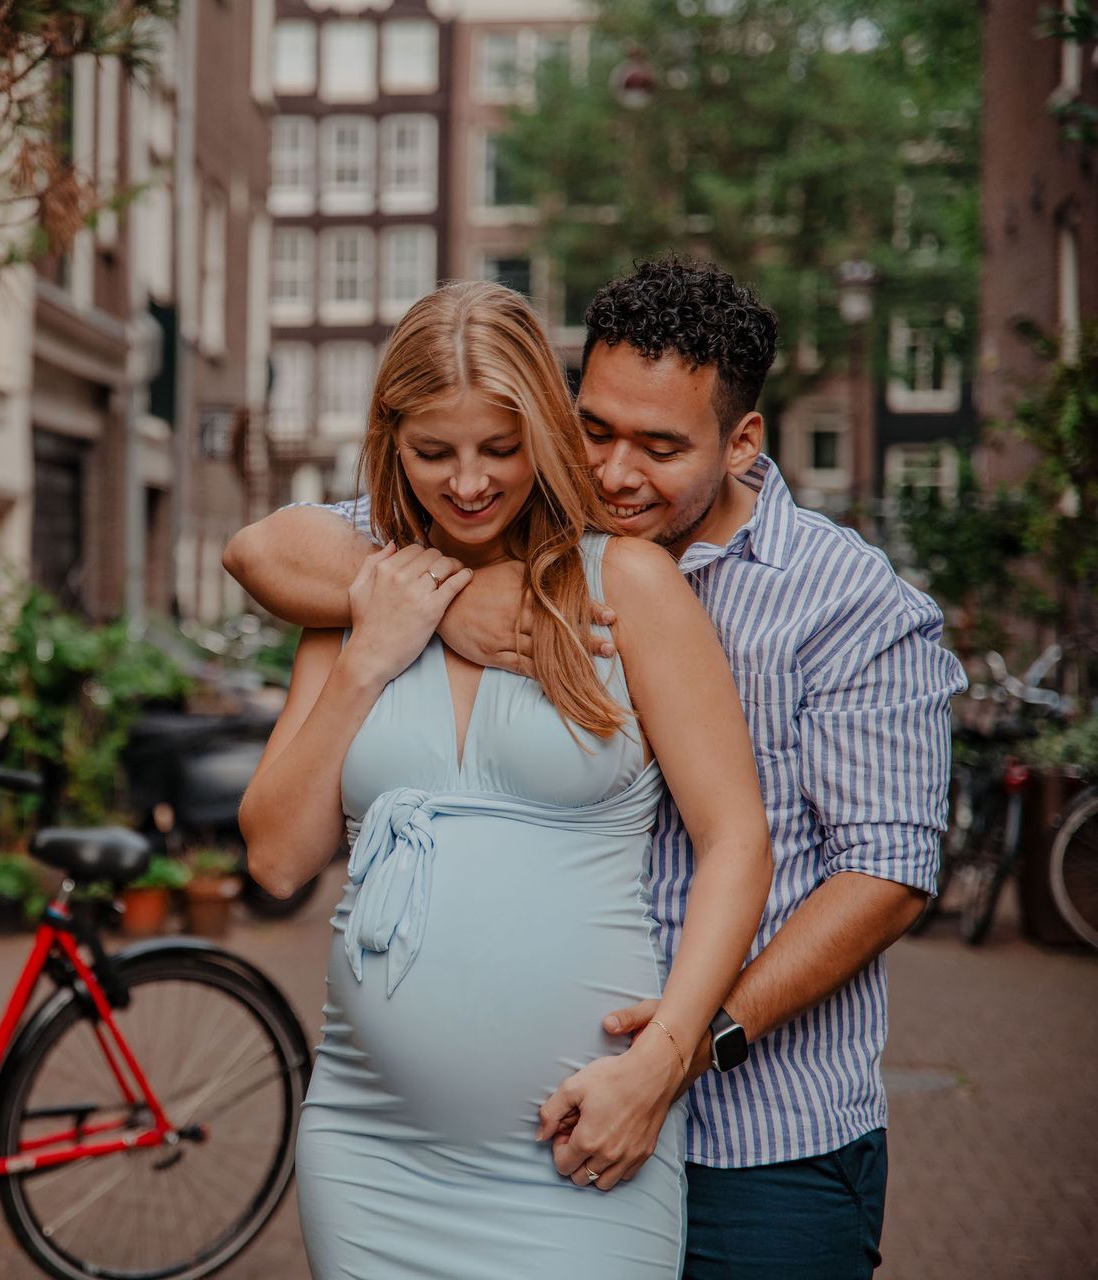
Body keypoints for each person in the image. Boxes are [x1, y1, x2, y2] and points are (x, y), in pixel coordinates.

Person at [227, 257, 966, 1278]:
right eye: (596, 429)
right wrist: (418, 611)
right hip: (384, 1148)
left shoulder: (831, 599)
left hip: (755, 1132)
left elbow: (879, 873)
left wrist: (673, 1054)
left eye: (659, 445)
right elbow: (264, 549)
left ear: (741, 441)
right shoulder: (419, 555)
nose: (616, 472)